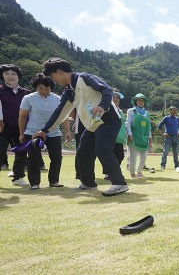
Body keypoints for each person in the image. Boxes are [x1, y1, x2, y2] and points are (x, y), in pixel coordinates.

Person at [35, 58, 128, 196]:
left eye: (52, 77)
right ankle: (88, 183)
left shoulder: (84, 78)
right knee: (83, 152)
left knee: (103, 150)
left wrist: (102, 105)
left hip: (109, 119)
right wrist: (44, 131)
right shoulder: (68, 92)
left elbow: (106, 89)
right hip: (92, 125)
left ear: (59, 72)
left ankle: (120, 183)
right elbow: (59, 113)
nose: (53, 80)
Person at [18, 73, 71, 190]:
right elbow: (22, 116)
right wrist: (22, 133)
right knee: (33, 158)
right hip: (33, 132)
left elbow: (64, 117)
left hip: (53, 133)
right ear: (36, 87)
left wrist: (67, 131)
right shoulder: (28, 98)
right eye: (40, 88)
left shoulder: (58, 99)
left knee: (57, 157)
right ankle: (34, 183)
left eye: (47, 88)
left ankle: (54, 181)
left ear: (51, 88)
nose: (44, 91)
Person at [0, 64, 31, 185]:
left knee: (21, 153)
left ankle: (18, 177)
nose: (10, 76)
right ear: (2, 76)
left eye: (13, 74)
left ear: (18, 76)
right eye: (6, 74)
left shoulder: (27, 93)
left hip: (21, 128)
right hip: (3, 127)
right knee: (0, 151)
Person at [126, 94, 152, 178]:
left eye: (142, 100)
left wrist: (150, 137)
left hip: (144, 137)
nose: (141, 102)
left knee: (144, 156)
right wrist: (129, 134)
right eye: (139, 100)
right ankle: (132, 173)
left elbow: (148, 126)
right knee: (133, 156)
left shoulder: (146, 113)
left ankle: (139, 171)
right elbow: (128, 123)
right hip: (134, 136)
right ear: (135, 101)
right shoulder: (131, 110)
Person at [158, 106, 179, 172]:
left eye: (175, 110)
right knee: (165, 152)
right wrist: (163, 133)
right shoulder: (166, 118)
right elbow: (159, 126)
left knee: (176, 153)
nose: (174, 112)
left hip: (176, 138)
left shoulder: (177, 119)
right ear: (170, 111)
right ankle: (163, 165)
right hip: (168, 138)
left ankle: (177, 165)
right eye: (173, 110)